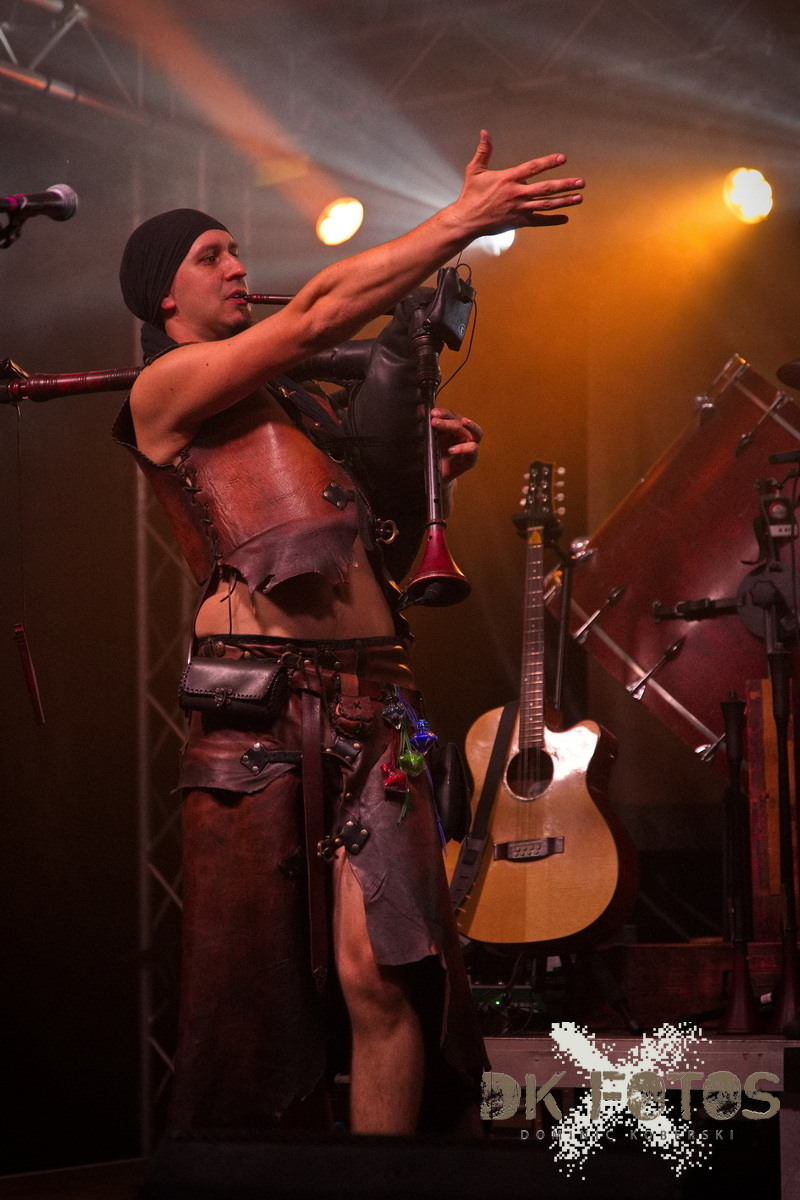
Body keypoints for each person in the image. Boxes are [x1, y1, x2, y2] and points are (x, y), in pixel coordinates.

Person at [114, 132, 584, 1140]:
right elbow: (321, 311)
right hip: (258, 718)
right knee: (247, 997)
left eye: (236, 250)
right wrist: (458, 221)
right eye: (209, 255)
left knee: (387, 972)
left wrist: (425, 480)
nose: (237, 266)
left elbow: (376, 555)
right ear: (163, 297)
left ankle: (387, 1184)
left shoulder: (304, 417)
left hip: (377, 705)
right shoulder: (164, 391)